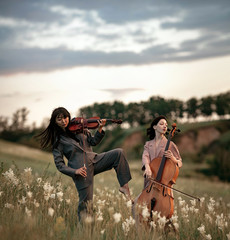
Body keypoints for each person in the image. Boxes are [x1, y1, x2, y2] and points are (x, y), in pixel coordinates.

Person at [36, 107, 132, 221]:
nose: (64, 121)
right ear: (55, 122)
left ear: (69, 117)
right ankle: (85, 230)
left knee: (119, 153)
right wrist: (75, 171)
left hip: (95, 160)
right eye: (59, 119)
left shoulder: (80, 129)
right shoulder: (58, 141)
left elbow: (93, 141)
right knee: (86, 204)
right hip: (81, 171)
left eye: (65, 117)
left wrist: (100, 128)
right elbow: (60, 165)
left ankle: (124, 187)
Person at [142, 115, 182, 189]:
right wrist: (147, 168)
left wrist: (173, 158)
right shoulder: (148, 144)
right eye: (161, 124)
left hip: (164, 183)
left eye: (166, 125)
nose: (164, 126)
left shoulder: (170, 144)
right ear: (155, 127)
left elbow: (179, 163)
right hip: (150, 180)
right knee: (138, 200)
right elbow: (145, 157)